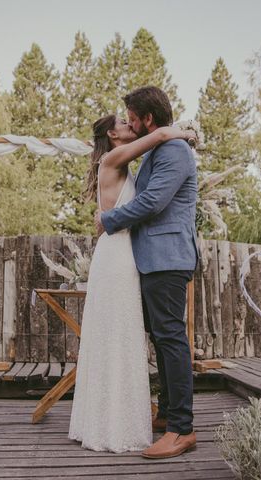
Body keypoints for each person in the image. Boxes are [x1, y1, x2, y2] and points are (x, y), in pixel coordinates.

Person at [68, 113, 195, 453]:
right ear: (112, 133)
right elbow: (154, 140)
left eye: (132, 120)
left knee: (124, 334)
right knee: (118, 334)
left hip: (127, 253)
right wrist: (180, 132)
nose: (129, 125)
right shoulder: (113, 157)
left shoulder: (124, 163)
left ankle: (122, 413)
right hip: (118, 256)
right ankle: (115, 417)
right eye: (124, 123)